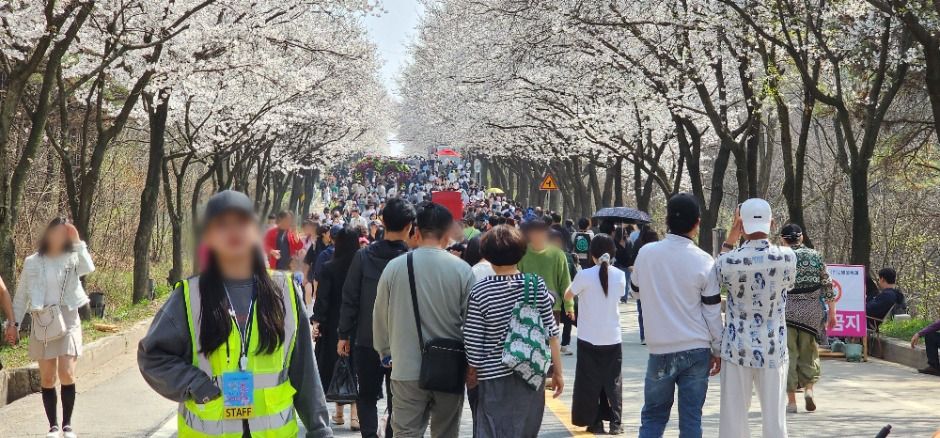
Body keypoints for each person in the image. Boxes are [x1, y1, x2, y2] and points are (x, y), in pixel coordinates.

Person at [138, 190, 332, 437]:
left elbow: (304, 369)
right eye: (222, 225)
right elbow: (152, 356)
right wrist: (194, 384)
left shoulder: (284, 292)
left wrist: (320, 429)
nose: (233, 232)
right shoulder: (190, 295)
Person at [372, 202, 476, 437]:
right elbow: (472, 323)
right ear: (447, 235)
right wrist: (472, 365)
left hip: (405, 367)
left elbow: (380, 315)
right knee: (446, 432)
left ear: (416, 232)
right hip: (450, 368)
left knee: (406, 432)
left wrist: (385, 351)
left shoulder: (395, 267)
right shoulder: (462, 270)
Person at [631, 193, 722, 438]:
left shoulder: (647, 253)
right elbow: (712, 311)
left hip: (660, 350)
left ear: (667, 221)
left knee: (653, 417)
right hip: (696, 349)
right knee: (691, 419)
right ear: (697, 223)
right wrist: (718, 349)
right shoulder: (704, 261)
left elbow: (636, 291)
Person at [464, 225, 564, 438]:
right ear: (521, 252)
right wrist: (558, 373)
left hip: (492, 377)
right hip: (531, 374)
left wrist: (472, 373)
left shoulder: (481, 291)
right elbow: (552, 333)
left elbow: (473, 342)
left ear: (487, 255)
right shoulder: (536, 285)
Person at [713, 198, 796, 438]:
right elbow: (787, 286)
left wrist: (730, 239)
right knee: (775, 418)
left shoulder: (727, 261)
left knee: (733, 417)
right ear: (772, 223)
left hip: (736, 347)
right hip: (773, 348)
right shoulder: (787, 257)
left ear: (740, 224)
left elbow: (715, 277)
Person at [338, 198, 416, 438]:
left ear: (382, 221)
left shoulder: (363, 257)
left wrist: (343, 335)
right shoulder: (413, 259)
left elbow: (350, 297)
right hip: (404, 342)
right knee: (398, 399)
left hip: (366, 338)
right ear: (409, 226)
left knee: (367, 395)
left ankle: (370, 435)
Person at [12, 217, 94, 438]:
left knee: (66, 372)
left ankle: (67, 425)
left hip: (67, 317)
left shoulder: (72, 258)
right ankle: (53, 426)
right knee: (48, 378)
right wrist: (14, 324)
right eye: (55, 233)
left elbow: (88, 267)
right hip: (43, 320)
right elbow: (21, 297)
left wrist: (78, 241)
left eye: (63, 234)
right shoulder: (32, 262)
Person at [564, 234, 626, 435]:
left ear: (592, 255)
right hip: (612, 337)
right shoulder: (620, 276)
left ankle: (595, 422)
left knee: (590, 381)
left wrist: (572, 300)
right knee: (613, 380)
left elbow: (568, 294)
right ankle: (616, 423)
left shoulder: (584, 275)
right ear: (613, 254)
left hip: (588, 337)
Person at [779, 224, 836, 413]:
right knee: (809, 354)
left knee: (788, 356)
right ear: (801, 237)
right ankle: (809, 390)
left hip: (786, 313)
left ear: (783, 239)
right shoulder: (815, 255)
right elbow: (827, 285)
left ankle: (792, 402)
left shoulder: (779, 256)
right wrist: (833, 313)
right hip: (811, 313)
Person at [312, 226, 361, 430]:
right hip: (358, 323)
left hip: (334, 324)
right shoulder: (361, 266)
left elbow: (322, 299)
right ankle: (355, 417)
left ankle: (339, 413)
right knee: (355, 366)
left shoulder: (329, 267)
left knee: (337, 365)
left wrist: (317, 322)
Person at [518, 217, 574, 356]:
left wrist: (569, 306)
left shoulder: (558, 255)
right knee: (530, 346)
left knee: (548, 346)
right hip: (529, 307)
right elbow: (517, 280)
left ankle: (549, 374)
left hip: (551, 308)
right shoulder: (522, 253)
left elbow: (565, 283)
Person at [549, 229, 579, 356]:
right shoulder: (567, 256)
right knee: (567, 320)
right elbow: (573, 276)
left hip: (551, 295)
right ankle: (564, 345)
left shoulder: (546, 256)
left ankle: (554, 346)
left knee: (553, 321)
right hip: (563, 293)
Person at [632, 228, 660, 345]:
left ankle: (644, 336)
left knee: (642, 313)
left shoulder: (642, 252)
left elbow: (635, 275)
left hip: (644, 288)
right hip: (658, 289)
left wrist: (635, 291)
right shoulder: (662, 252)